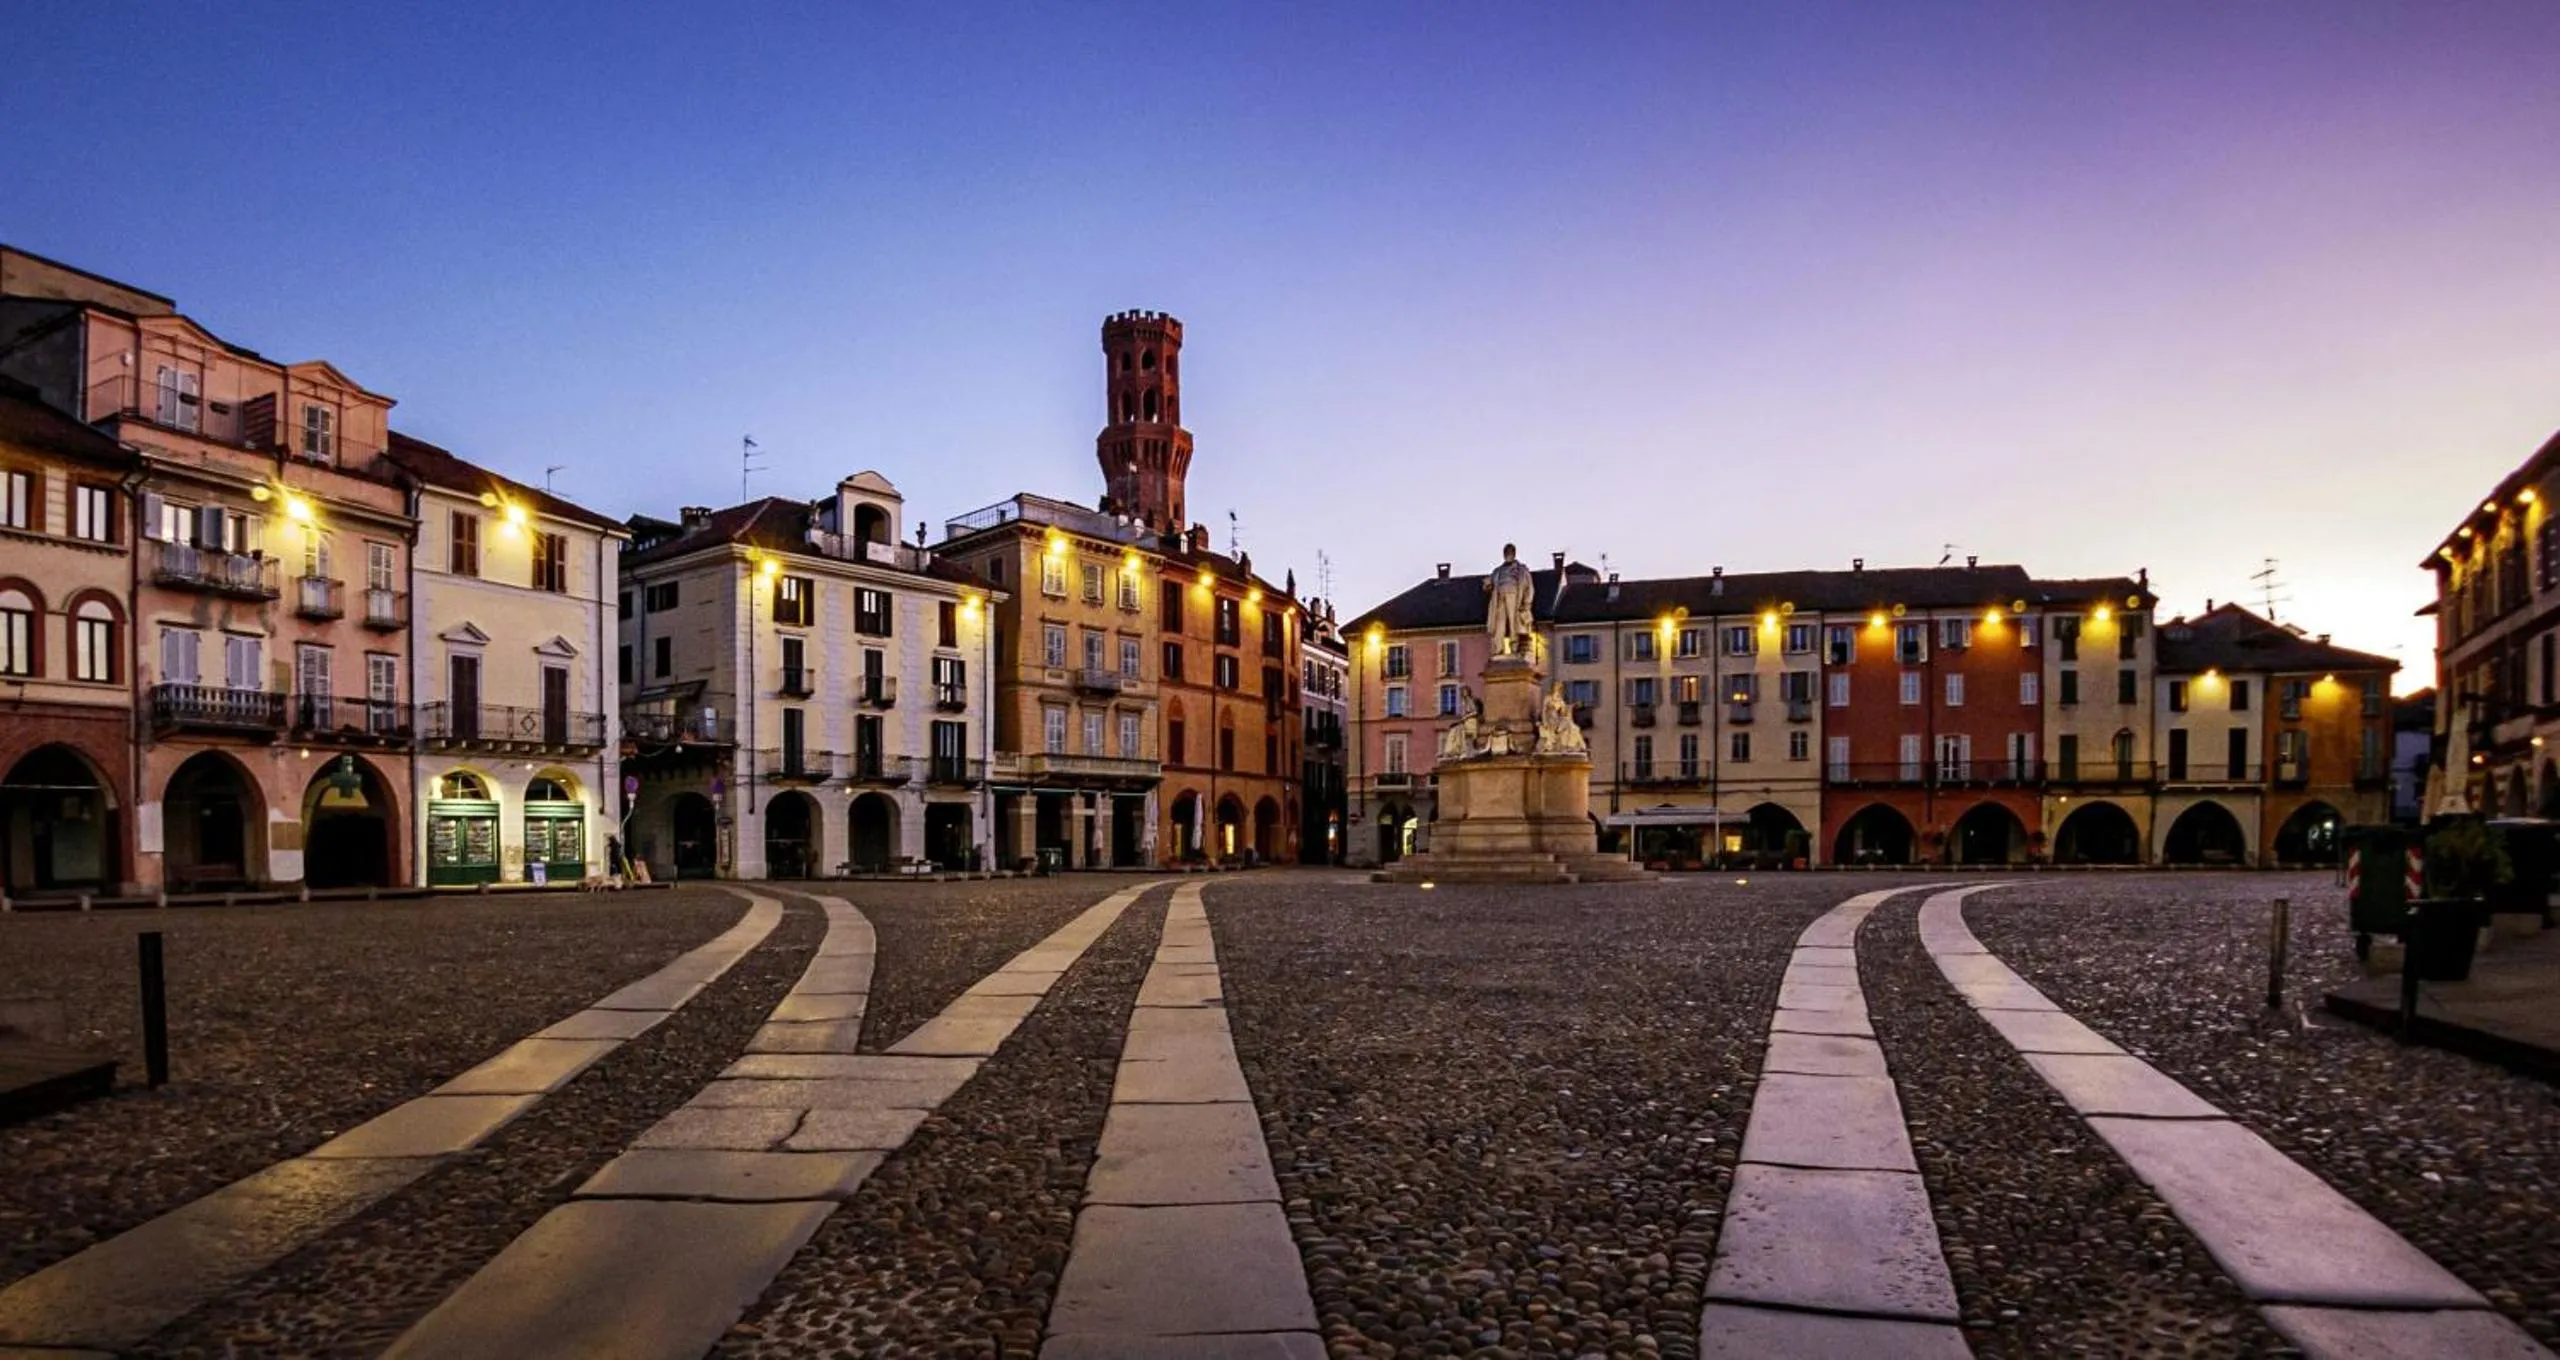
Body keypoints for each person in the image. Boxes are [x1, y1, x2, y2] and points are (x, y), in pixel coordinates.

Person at [1484, 543, 1537, 658]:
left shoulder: (1521, 570)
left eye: (1510, 552)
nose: (1507, 555)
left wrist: (1526, 603)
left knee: (1514, 622)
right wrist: (1487, 584)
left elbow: (1529, 588)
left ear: (1514, 554)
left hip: (1514, 597)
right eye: (1506, 552)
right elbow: (1489, 585)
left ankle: (1515, 647)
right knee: (1500, 623)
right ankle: (1498, 648)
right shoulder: (1497, 571)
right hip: (1499, 597)